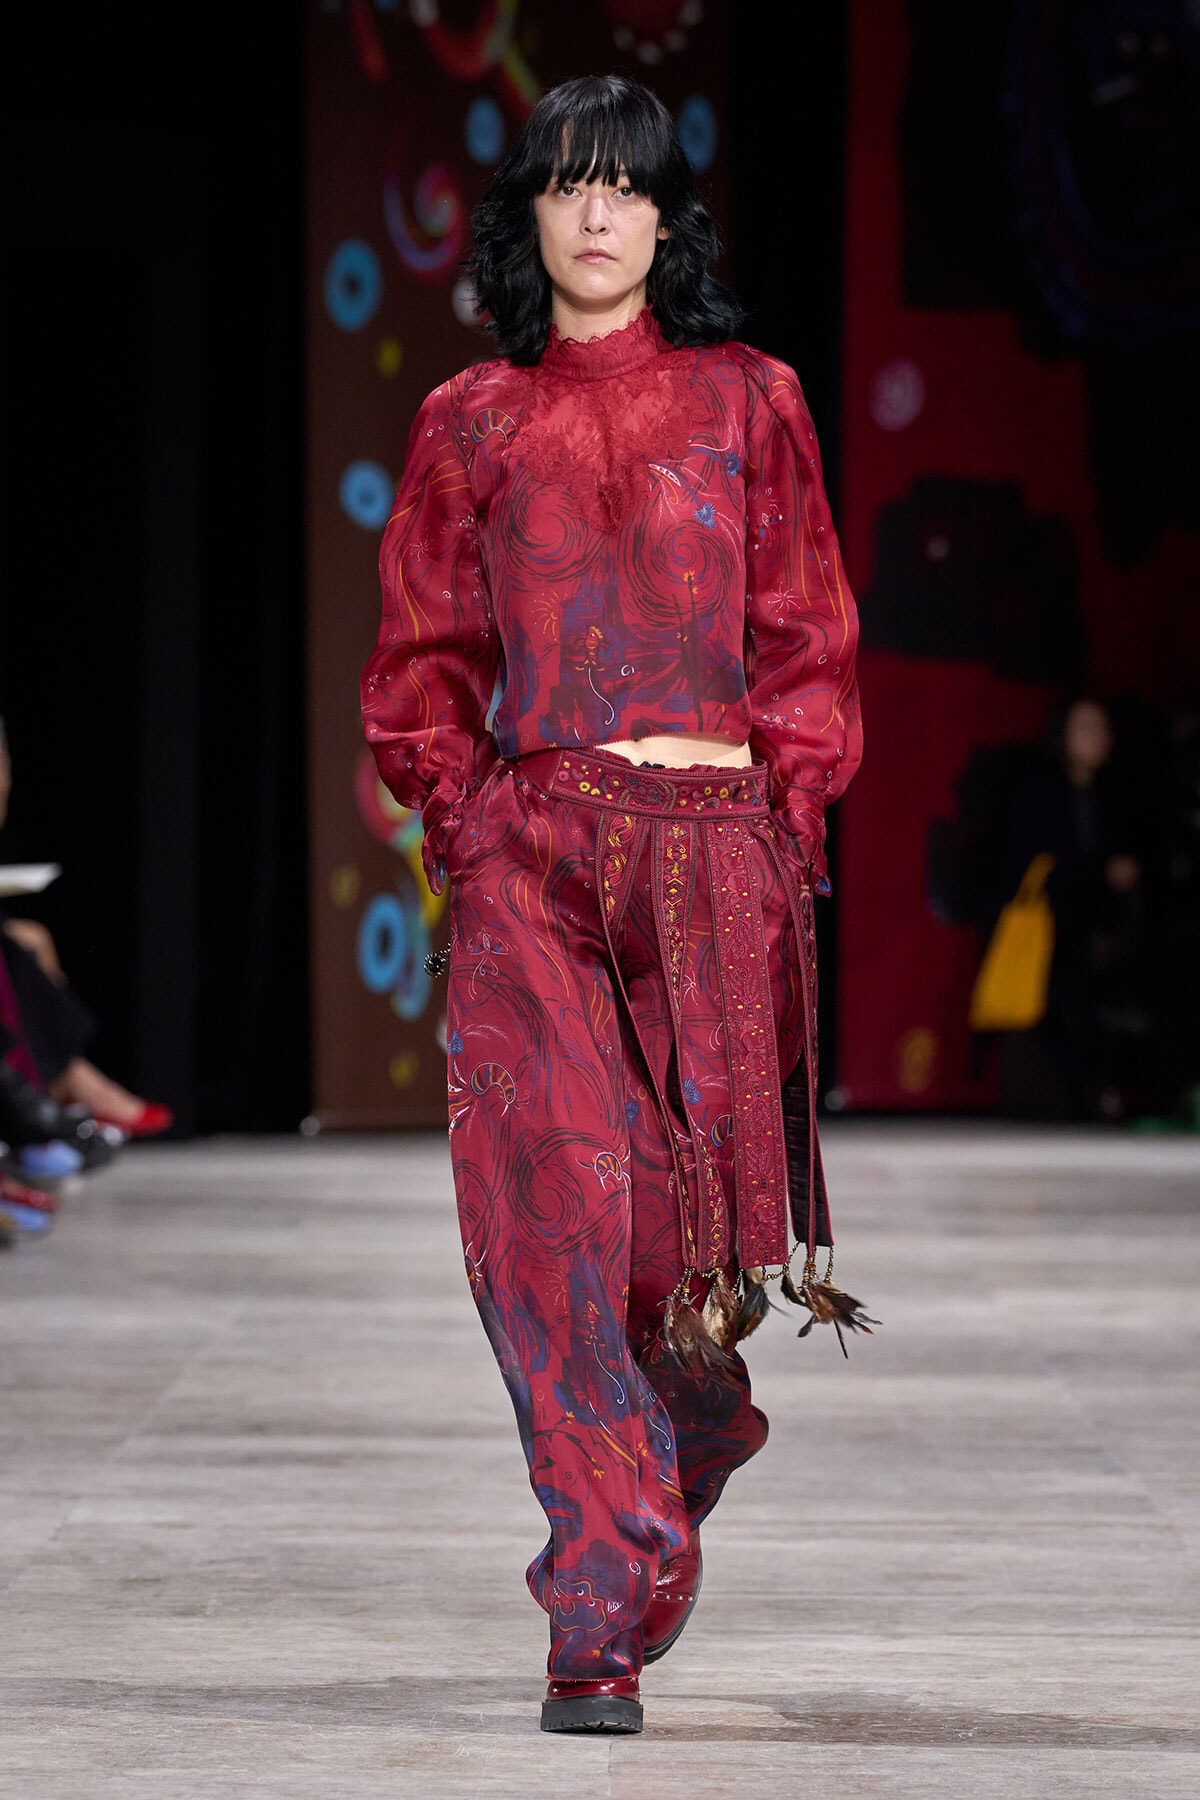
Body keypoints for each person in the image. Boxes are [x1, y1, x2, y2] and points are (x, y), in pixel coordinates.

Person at [361, 75, 865, 1735]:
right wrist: (473, 822)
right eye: (567, 187)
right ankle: (594, 1592)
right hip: (537, 858)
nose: (596, 215)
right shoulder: (466, 420)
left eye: (625, 189)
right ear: (530, 219)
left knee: (670, 1251)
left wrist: (785, 829)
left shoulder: (750, 398)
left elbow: (806, 635)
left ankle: (692, 1428)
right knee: (548, 1232)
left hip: (715, 855)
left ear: (665, 219)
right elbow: (422, 668)